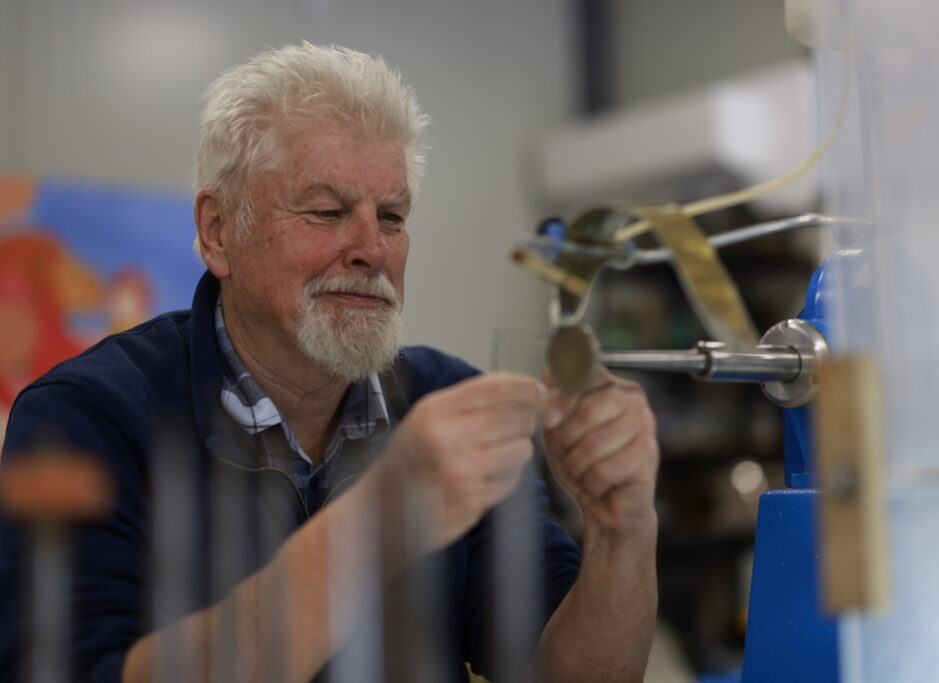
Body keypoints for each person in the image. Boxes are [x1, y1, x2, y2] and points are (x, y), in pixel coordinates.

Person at [0, 43, 659, 682]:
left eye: (393, 215)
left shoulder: (447, 401)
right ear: (218, 231)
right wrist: (376, 519)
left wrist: (621, 529)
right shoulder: (84, 417)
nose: (373, 247)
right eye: (327, 211)